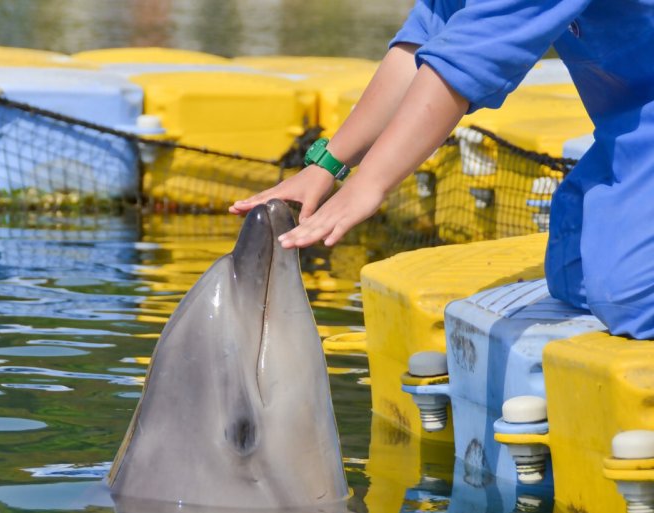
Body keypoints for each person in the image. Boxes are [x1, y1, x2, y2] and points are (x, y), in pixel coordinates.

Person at [229, 0, 654, 339]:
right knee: (572, 270)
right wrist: (328, 165)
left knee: (628, 297)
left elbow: (467, 62)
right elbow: (426, 39)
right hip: (631, 132)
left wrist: (370, 184)